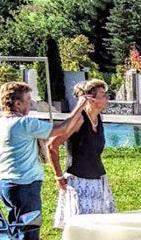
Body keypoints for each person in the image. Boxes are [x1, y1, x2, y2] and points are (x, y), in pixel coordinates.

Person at [0, 80, 62, 240]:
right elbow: (62, 129)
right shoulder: (24, 123)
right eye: (28, 99)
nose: (31, 103)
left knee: (15, 230)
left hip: (6, 186)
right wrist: (80, 109)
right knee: (29, 236)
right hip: (25, 186)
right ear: (17, 103)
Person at [47, 78, 115, 229]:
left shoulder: (98, 119)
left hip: (98, 179)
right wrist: (58, 176)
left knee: (100, 226)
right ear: (90, 99)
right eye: (103, 95)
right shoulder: (79, 120)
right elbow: (52, 145)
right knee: (79, 228)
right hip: (79, 181)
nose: (107, 98)